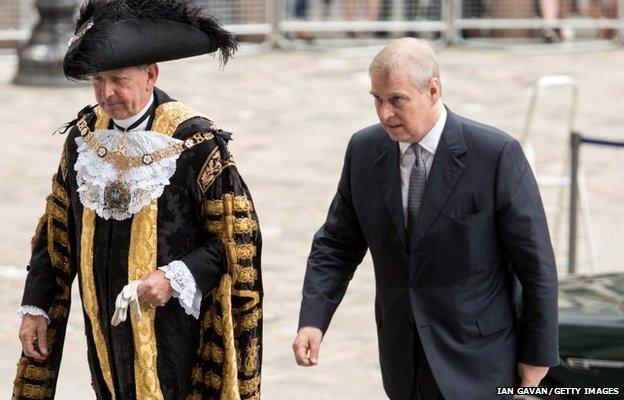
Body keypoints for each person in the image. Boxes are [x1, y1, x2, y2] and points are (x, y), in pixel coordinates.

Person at [13, 1, 262, 399]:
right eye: (97, 80)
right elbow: (56, 234)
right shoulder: (82, 139)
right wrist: (36, 307)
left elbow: (237, 244)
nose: (106, 93)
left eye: (118, 80)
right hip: (105, 334)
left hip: (177, 332)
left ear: (150, 75)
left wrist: (175, 276)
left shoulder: (195, 143)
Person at [292, 38, 559, 400]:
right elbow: (337, 245)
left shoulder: (495, 154)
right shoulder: (363, 150)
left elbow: (536, 264)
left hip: (480, 361)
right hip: (403, 361)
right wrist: (313, 319)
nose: (385, 113)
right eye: (377, 99)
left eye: (397, 99)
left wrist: (537, 355)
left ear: (433, 90)